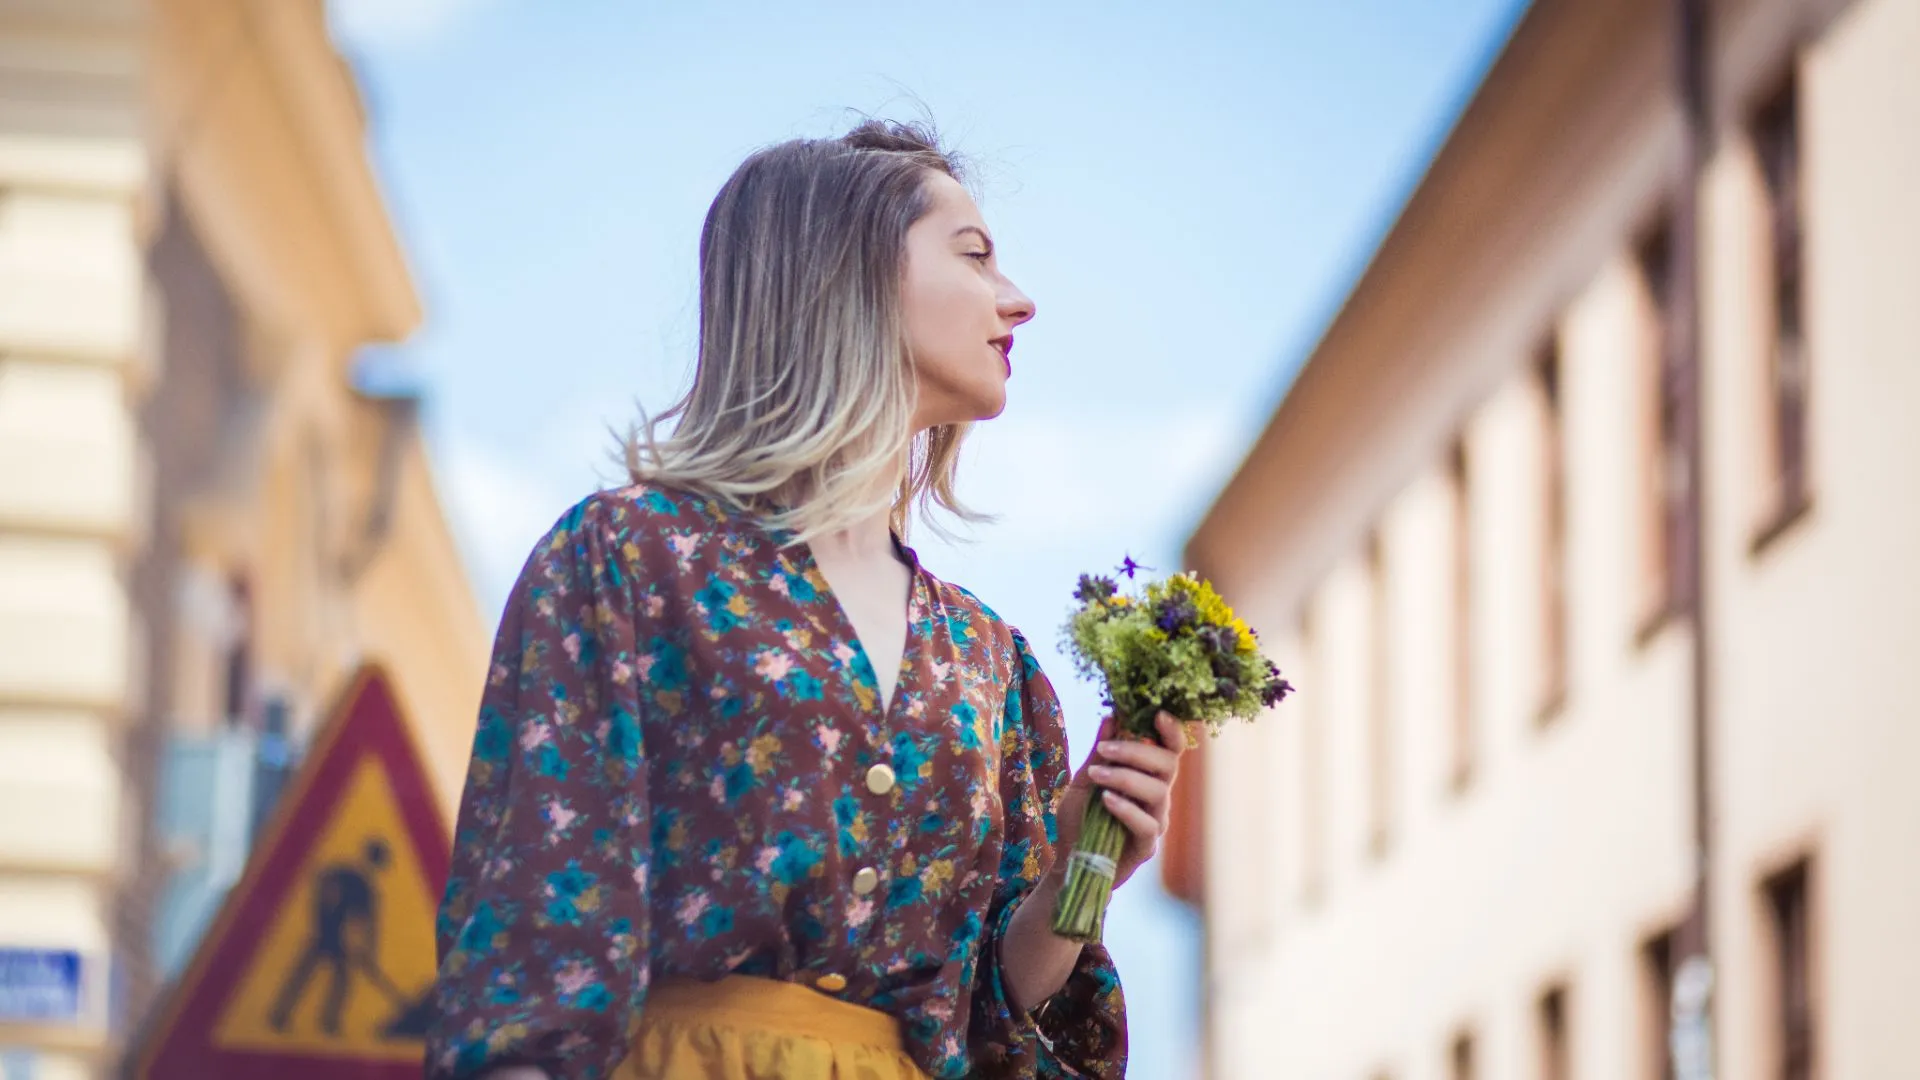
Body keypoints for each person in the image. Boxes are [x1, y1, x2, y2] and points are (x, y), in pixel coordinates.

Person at [425, 119, 1187, 1080]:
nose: (1019, 300)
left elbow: (992, 1029)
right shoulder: (626, 561)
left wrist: (1081, 870)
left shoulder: (990, 658)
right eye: (976, 255)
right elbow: (534, 956)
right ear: (850, 274)